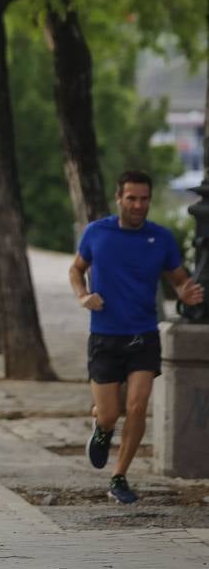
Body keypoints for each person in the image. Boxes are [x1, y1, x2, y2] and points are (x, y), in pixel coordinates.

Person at [70, 170, 203, 503]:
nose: (138, 205)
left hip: (144, 334)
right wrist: (83, 295)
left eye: (144, 199)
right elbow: (76, 269)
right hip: (105, 335)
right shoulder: (97, 233)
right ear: (119, 199)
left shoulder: (161, 238)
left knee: (138, 405)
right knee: (110, 413)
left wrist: (185, 294)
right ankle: (102, 429)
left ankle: (119, 476)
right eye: (131, 198)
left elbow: (178, 279)